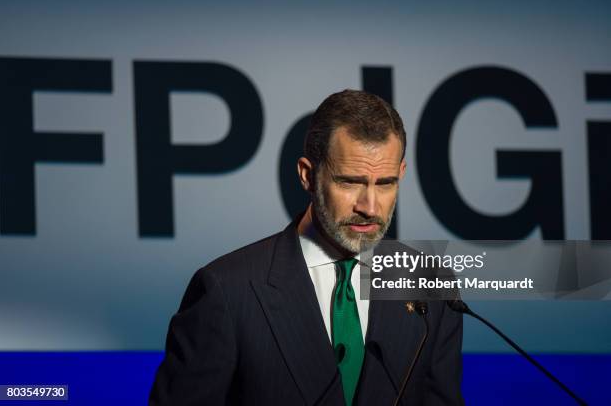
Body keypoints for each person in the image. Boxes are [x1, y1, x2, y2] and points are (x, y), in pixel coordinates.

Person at [149, 90, 464, 405]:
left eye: (385, 183)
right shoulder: (227, 291)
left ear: (401, 174)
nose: (370, 207)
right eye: (350, 182)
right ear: (307, 175)